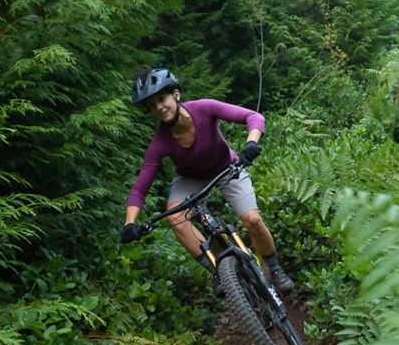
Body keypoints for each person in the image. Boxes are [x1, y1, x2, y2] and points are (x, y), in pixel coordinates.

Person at [119, 67, 294, 294]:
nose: (159, 108)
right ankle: (218, 270)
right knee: (175, 216)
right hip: (190, 178)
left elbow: (254, 116)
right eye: (152, 106)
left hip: (226, 168)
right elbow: (141, 187)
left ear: (176, 95)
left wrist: (251, 142)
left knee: (251, 219)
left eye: (161, 99)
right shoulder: (160, 142)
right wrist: (129, 223)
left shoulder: (204, 108)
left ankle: (275, 268)